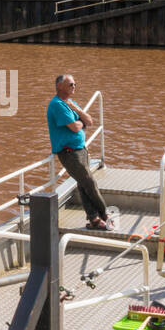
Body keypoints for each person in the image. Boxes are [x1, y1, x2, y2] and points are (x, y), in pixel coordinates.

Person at [47, 74, 112, 230]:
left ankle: (94, 219)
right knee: (89, 183)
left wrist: (76, 109)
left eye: (75, 84)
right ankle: (105, 215)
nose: (74, 86)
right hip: (69, 153)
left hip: (80, 150)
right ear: (59, 87)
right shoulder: (57, 105)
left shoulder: (70, 103)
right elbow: (75, 127)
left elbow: (89, 121)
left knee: (83, 185)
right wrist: (81, 122)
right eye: (70, 84)